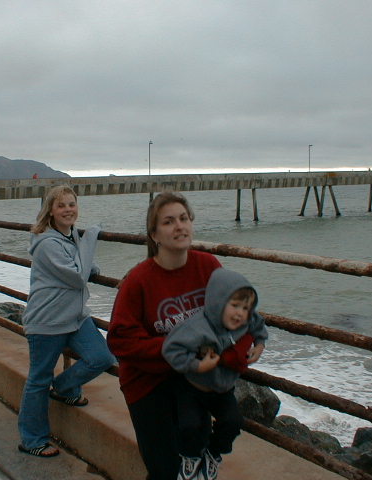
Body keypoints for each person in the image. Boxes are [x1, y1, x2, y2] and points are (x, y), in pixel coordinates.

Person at [106, 191, 222, 480]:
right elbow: (120, 340)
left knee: (196, 463)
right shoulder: (138, 281)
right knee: (166, 470)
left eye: (183, 219)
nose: (179, 226)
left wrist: (252, 341)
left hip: (193, 380)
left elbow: (233, 315)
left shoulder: (208, 267)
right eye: (169, 222)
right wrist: (181, 350)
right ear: (154, 235)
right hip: (148, 383)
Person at [17, 185, 115, 458]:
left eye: (72, 204)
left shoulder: (70, 236)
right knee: (39, 380)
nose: (68, 210)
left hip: (75, 317)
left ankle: (63, 387)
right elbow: (77, 277)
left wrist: (86, 259)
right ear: (50, 210)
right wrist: (90, 237)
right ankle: (32, 440)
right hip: (48, 320)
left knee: (101, 357)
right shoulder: (47, 243)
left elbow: (81, 268)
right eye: (61, 205)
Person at [162, 268, 268, 480]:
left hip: (222, 389)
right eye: (234, 305)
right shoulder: (196, 327)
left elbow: (258, 324)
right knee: (189, 426)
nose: (240, 313)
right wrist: (197, 366)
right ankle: (190, 456)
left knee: (233, 422)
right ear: (217, 302)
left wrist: (260, 344)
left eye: (245, 308)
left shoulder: (246, 320)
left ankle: (213, 453)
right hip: (192, 386)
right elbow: (170, 349)